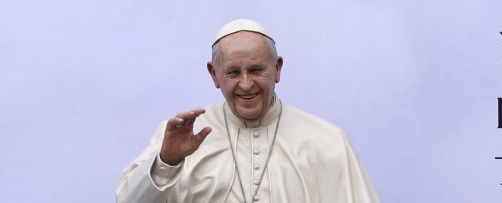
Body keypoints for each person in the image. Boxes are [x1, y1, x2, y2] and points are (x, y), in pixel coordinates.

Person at [117, 19, 381, 203]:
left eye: (256, 70)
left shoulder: (327, 141)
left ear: (277, 68)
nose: (245, 84)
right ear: (214, 74)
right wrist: (166, 162)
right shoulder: (180, 136)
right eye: (233, 72)